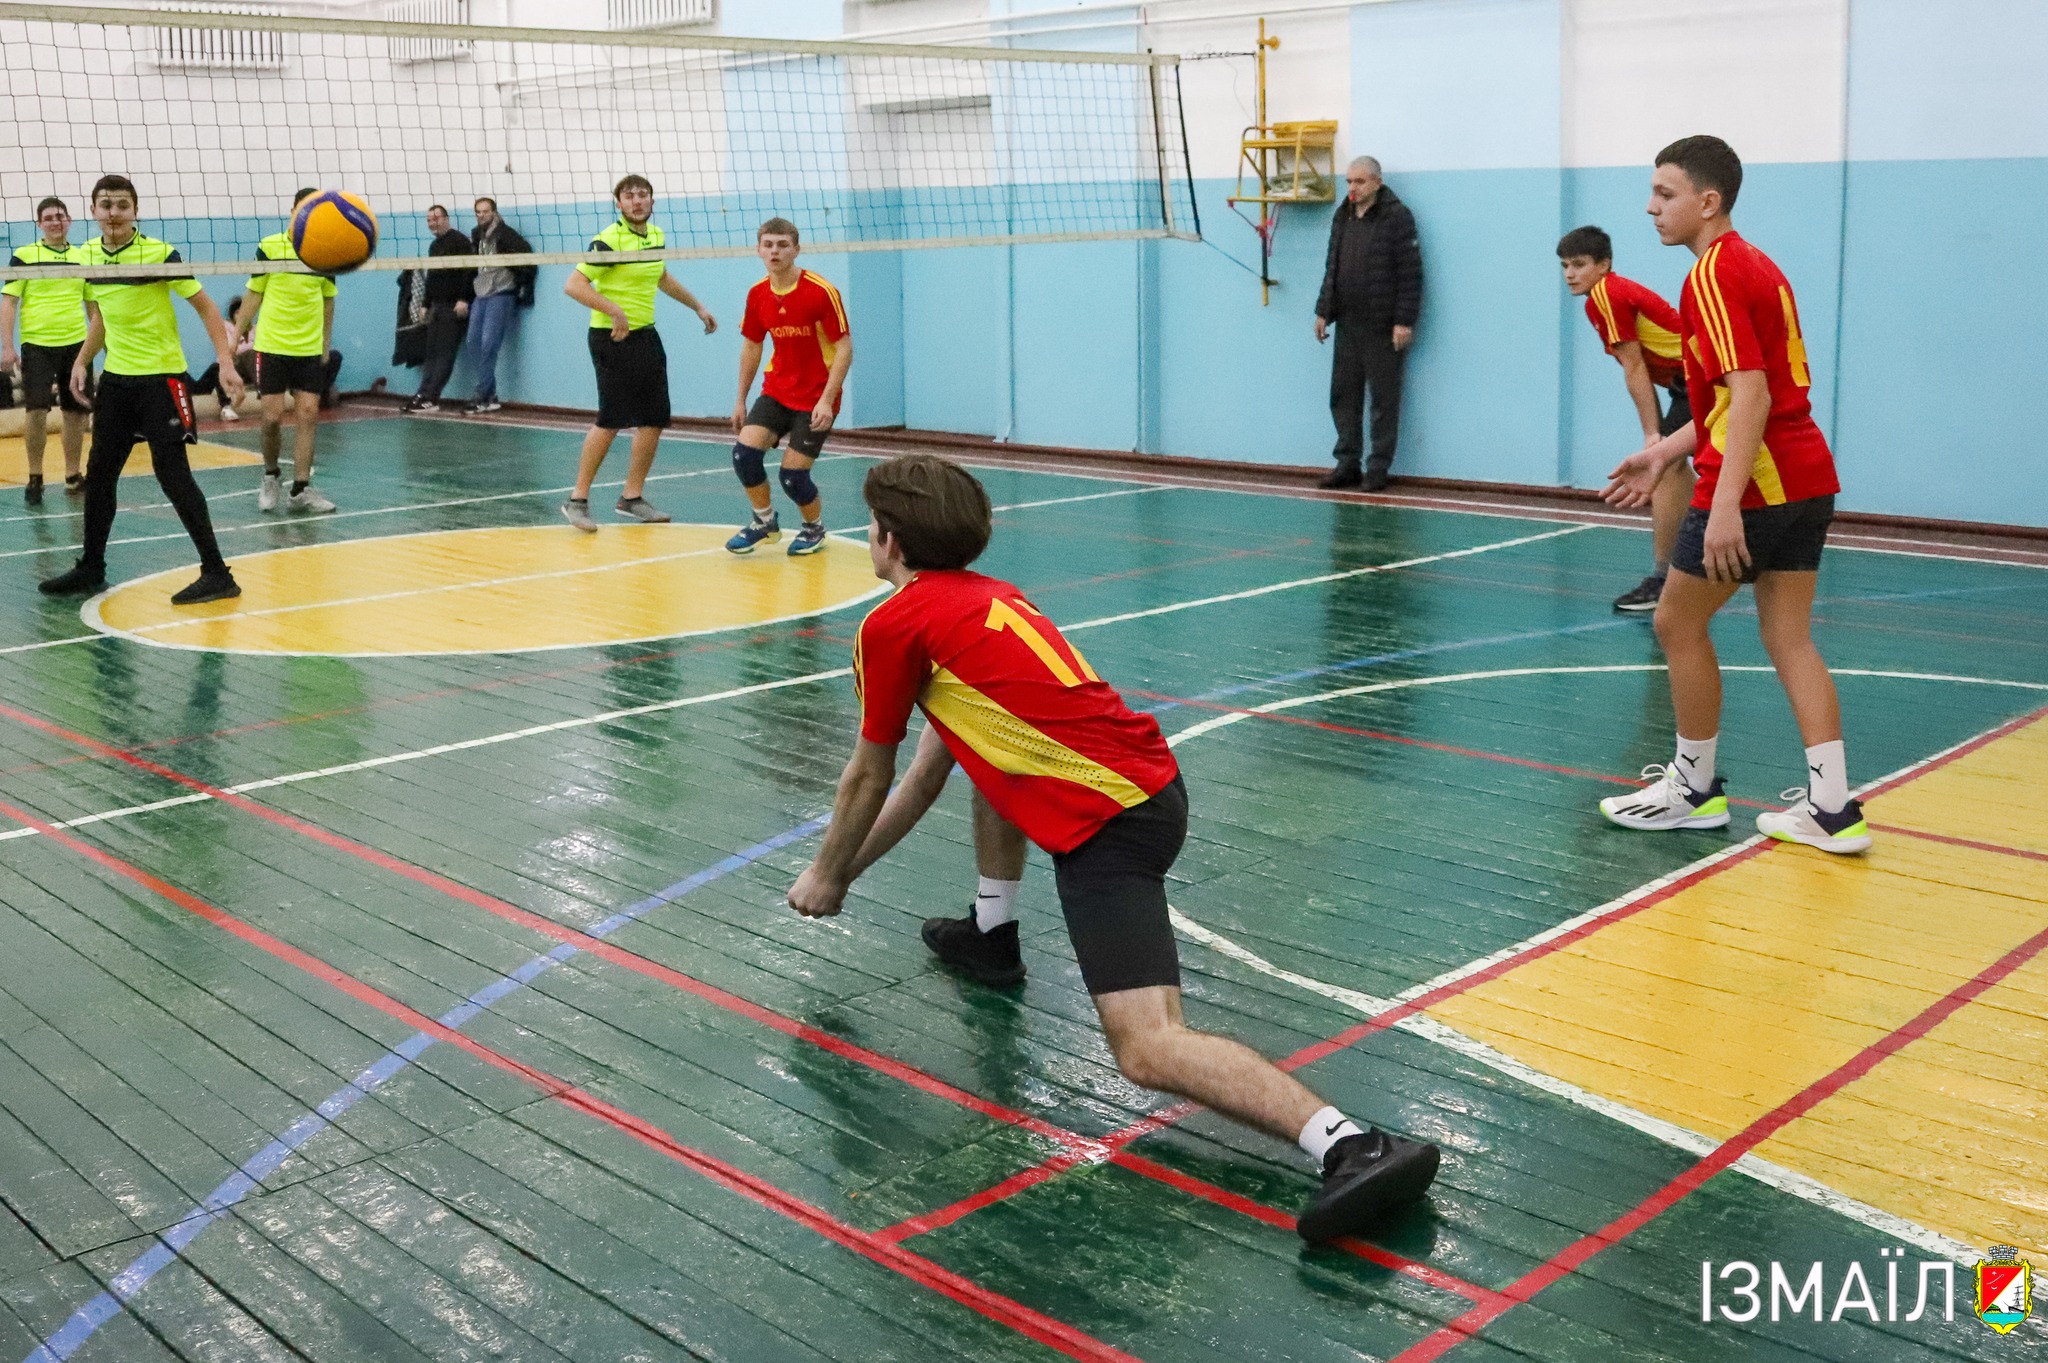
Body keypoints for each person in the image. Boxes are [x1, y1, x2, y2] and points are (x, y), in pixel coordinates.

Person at [787, 453, 1444, 1244]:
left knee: (1146, 1047)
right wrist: (843, 874)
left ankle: (1354, 1143)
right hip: (1152, 787)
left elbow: (869, 777)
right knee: (990, 764)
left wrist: (829, 873)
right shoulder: (990, 602)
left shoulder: (893, 624)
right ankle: (992, 933)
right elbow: (934, 770)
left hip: (1114, 826)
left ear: (886, 540)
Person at [1599, 136, 1869, 855]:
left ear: (1707, 201)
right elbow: (1739, 398)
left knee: (1674, 623)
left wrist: (1721, 506)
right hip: (1808, 477)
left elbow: (1748, 394)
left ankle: (1693, 790)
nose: (1651, 207)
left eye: (1664, 193)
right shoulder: (1755, 265)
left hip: (1758, 486)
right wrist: (1662, 452)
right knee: (1788, 636)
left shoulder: (1712, 275)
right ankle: (1833, 808)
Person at [38, 175, 243, 605]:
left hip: (163, 380)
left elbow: (206, 307)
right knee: (99, 477)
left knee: (173, 476)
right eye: (105, 205)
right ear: (93, 211)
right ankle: (91, 566)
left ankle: (217, 572)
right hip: (116, 382)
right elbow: (104, 317)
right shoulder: (87, 257)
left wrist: (226, 362)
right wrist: (81, 360)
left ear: (135, 211)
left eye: (122, 205)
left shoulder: (159, 253)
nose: (113, 212)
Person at [559, 174, 716, 531]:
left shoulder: (656, 236)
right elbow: (574, 285)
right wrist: (614, 310)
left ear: (651, 202)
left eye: (642, 195)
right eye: (629, 196)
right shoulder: (609, 239)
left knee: (653, 417)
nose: (637, 201)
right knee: (612, 418)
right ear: (619, 203)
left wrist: (697, 306)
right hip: (610, 337)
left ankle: (631, 498)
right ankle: (577, 499)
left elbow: (661, 277)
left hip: (645, 334)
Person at [1558, 225, 1697, 611]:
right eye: (1565, 265)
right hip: (1687, 382)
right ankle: (1677, 572)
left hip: (1699, 377)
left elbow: (1633, 368)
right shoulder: (1601, 298)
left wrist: (1652, 437)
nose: (1570, 273)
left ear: (1604, 265)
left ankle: (1666, 579)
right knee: (1675, 465)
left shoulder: (1607, 295)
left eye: (1580, 264)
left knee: (1668, 465)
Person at [724, 218, 850, 557]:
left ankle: (814, 528)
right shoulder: (758, 294)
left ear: (796, 249)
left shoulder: (820, 291)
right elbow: (752, 346)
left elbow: (844, 348)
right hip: (777, 389)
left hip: (815, 397)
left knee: (793, 476)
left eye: (782, 245)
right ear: (759, 249)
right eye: (768, 244)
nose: (775, 251)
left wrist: (827, 400)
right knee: (744, 455)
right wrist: (740, 399)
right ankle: (764, 523)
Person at [1314, 156, 1422, 492]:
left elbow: (1411, 273)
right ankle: (1347, 463)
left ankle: (1377, 468)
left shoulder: (1397, 216)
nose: (1352, 188)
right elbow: (1332, 265)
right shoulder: (1342, 215)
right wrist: (1323, 311)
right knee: (1343, 396)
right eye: (1348, 182)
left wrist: (1403, 321)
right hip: (1347, 323)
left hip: (1382, 326)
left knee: (1383, 400)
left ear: (1377, 182)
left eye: (1359, 182)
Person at [237, 188, 338, 513]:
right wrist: (234, 337)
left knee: (308, 415)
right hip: (272, 346)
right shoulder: (270, 246)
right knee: (271, 419)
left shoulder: (326, 252)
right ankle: (270, 475)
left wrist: (325, 344)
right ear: (295, 212)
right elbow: (253, 294)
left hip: (307, 348)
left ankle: (300, 488)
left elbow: (328, 301)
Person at [2, 197, 89, 506]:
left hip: (77, 345)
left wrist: (96, 344)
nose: (55, 221)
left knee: (75, 413)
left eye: (60, 216)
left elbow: (92, 304)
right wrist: (8, 346)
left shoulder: (83, 257)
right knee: (36, 411)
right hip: (37, 345)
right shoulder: (24, 256)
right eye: (49, 217)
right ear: (40, 223)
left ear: (69, 221)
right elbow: (9, 302)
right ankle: (35, 477)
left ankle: (72, 475)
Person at [465, 196, 536, 414]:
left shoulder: (506, 234)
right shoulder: (476, 235)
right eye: (478, 212)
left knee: (489, 344)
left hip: (501, 294)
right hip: (481, 294)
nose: (481, 216)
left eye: (486, 211)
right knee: (472, 342)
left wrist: (522, 287)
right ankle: (491, 395)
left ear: (494, 212)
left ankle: (482, 394)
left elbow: (528, 259)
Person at [404, 204, 473, 413]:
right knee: (431, 352)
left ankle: (432, 398)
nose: (432, 223)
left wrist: (463, 299)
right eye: (428, 220)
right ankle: (422, 393)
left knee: (444, 353)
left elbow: (469, 272)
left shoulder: (460, 241)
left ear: (446, 219)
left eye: (436, 218)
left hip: (453, 307)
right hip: (436, 306)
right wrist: (425, 304)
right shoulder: (434, 246)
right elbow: (432, 277)